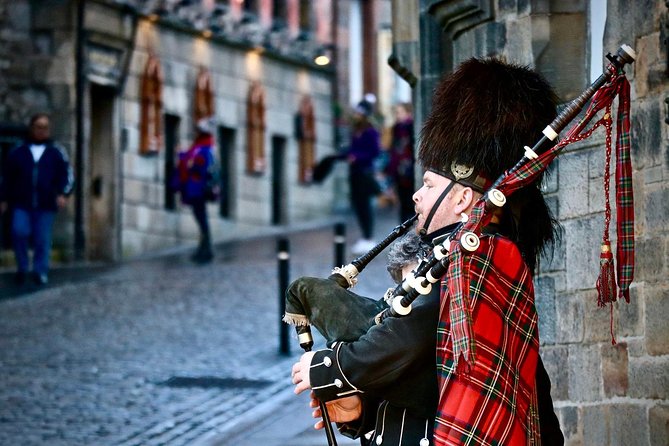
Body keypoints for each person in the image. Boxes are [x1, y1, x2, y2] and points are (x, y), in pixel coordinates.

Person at [290, 58, 565, 445]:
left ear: (463, 199)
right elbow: (425, 381)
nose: (417, 195)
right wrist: (358, 410)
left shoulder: (477, 255)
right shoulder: (456, 256)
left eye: (429, 185)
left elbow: (411, 337)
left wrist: (332, 367)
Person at [0, 113, 73, 285]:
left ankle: (40, 270)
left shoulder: (56, 151)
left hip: (46, 203)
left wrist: (63, 193)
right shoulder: (18, 151)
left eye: (45, 128)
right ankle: (22, 267)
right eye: (38, 127)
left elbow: (67, 174)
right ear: (32, 128)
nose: (42, 131)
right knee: (19, 232)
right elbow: (7, 176)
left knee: (42, 238)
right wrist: (3, 198)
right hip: (21, 202)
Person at [173, 117, 217, 263]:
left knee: (201, 217)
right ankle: (204, 247)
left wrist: (187, 161)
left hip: (198, 189)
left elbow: (198, 166)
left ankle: (206, 248)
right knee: (200, 217)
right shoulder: (199, 147)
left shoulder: (204, 148)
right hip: (195, 188)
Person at [346, 96, 382, 255]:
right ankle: (364, 236)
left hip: (365, 172)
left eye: (359, 112)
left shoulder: (371, 132)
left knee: (365, 206)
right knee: (358, 205)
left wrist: (357, 157)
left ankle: (369, 237)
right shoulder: (355, 131)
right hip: (354, 173)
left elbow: (374, 151)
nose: (357, 115)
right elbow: (352, 148)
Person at [384, 102, 415, 223]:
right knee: (402, 202)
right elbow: (393, 151)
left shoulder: (411, 127)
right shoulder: (396, 128)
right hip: (398, 170)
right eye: (396, 113)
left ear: (407, 113)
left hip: (409, 169)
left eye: (399, 112)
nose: (397, 115)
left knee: (410, 201)